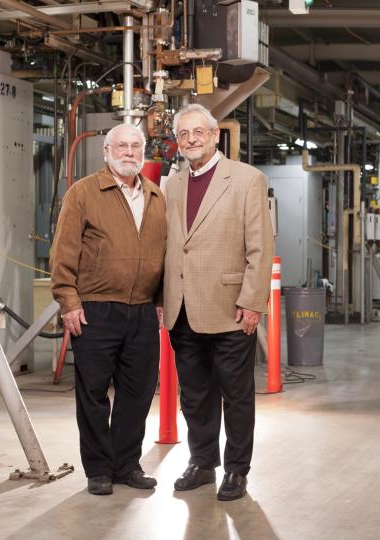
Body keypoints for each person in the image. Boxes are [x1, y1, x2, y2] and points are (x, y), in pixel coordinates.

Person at [162, 103, 274, 501]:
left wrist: (253, 301)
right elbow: (170, 246)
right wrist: (163, 297)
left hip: (231, 307)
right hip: (183, 309)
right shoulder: (171, 184)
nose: (191, 139)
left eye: (198, 132)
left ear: (214, 135)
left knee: (236, 394)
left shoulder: (246, 179)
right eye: (183, 134)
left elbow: (261, 246)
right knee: (194, 394)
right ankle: (202, 462)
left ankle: (237, 470)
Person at [50, 124, 166, 496]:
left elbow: (163, 254)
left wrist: (161, 300)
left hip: (143, 310)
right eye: (122, 146)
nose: (129, 152)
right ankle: (98, 469)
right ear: (106, 152)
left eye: (136, 145)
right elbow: (63, 253)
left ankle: (127, 465)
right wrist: (69, 301)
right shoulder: (83, 193)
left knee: (138, 393)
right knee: (94, 394)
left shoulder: (154, 196)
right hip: (96, 310)